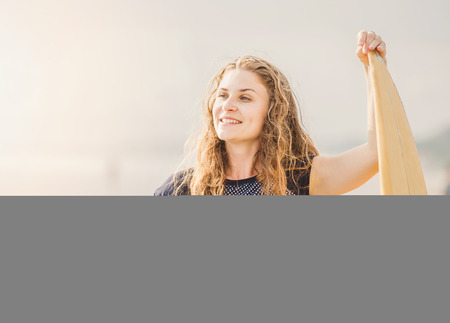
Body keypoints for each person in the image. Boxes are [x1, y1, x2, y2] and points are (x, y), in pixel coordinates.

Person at [154, 30, 386, 195]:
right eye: (223, 95)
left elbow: (378, 154)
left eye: (245, 97)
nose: (227, 105)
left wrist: (371, 67)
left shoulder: (301, 179)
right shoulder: (180, 190)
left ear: (273, 113)